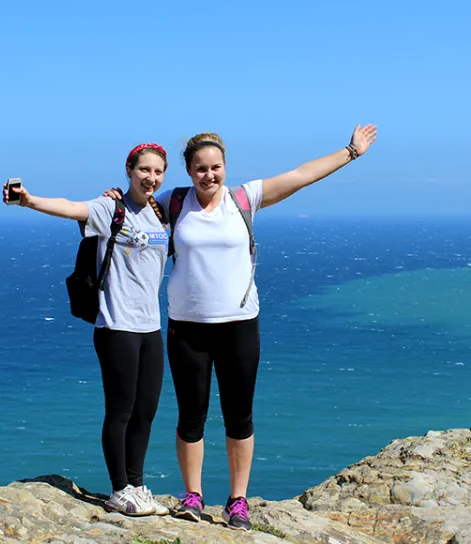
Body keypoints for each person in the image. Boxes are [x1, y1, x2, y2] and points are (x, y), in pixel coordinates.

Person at [155, 124, 378, 530]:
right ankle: (192, 496)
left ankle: (237, 501)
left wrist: (351, 151)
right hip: (187, 327)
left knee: (239, 416)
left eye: (216, 166)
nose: (210, 175)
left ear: (225, 166)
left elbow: (301, 175)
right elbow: (128, 207)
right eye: (201, 168)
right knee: (191, 416)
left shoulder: (244, 198)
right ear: (188, 171)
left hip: (239, 325)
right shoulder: (171, 203)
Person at [3, 143, 173, 516]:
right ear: (129, 170)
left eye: (158, 172)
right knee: (121, 410)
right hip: (115, 325)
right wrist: (28, 200)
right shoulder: (108, 208)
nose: (152, 178)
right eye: (144, 170)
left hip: (150, 327)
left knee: (146, 410)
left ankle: (137, 485)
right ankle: (118, 489)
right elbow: (70, 207)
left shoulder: (160, 214)